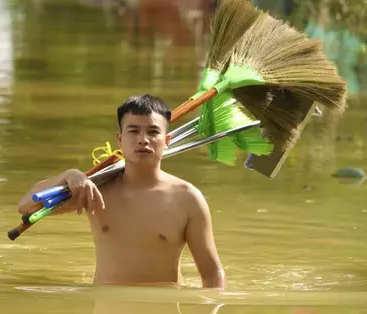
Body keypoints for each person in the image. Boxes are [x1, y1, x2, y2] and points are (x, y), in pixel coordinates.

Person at [17, 94, 226, 289]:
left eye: (153, 132)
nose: (143, 139)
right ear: (120, 139)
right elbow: (26, 206)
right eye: (133, 131)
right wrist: (67, 176)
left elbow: (212, 274)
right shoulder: (97, 190)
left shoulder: (187, 199)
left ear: (167, 141)